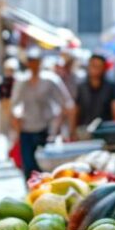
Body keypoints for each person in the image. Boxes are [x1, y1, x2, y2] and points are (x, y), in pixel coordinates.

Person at [10, 49, 75, 181]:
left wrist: (61, 125)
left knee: (46, 168)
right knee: (28, 166)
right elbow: (15, 104)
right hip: (27, 128)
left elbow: (66, 102)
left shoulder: (50, 80)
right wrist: (16, 120)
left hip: (47, 129)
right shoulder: (22, 81)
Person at [71, 53, 115, 133]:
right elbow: (76, 110)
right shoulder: (81, 87)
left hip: (106, 130)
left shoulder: (111, 87)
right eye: (93, 66)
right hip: (84, 130)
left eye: (98, 66)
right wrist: (73, 131)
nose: (95, 69)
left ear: (104, 68)